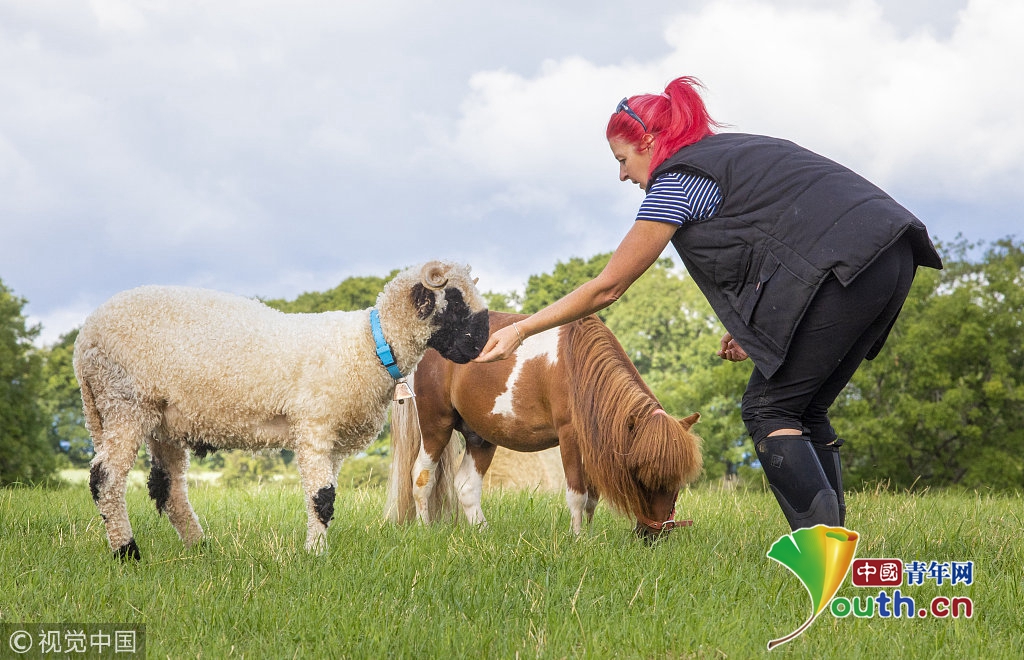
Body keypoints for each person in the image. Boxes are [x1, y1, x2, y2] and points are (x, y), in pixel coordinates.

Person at [473, 76, 943, 531]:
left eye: (621, 159)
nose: (621, 174)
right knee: (803, 408)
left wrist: (522, 328)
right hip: (892, 253)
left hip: (847, 268)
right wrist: (752, 327)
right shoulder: (734, 154)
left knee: (768, 409)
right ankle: (834, 541)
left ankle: (821, 549)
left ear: (651, 141)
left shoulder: (678, 179)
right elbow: (781, 234)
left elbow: (608, 287)